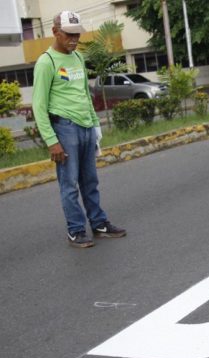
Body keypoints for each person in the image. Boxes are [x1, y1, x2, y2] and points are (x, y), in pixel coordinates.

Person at [32, 11, 126, 248]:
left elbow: (85, 94)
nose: (74, 39)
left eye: (77, 35)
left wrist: (95, 125)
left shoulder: (78, 58)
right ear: (55, 32)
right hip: (64, 129)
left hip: (85, 127)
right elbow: (39, 106)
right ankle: (75, 230)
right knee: (69, 184)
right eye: (69, 34)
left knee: (90, 181)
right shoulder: (47, 62)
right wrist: (52, 140)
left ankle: (99, 223)